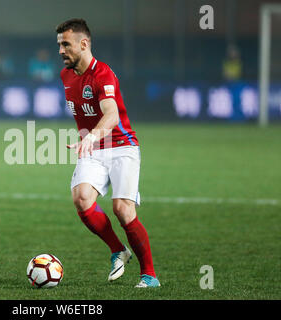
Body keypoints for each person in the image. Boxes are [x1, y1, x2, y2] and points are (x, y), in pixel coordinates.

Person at [56, 18, 160, 288]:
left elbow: (112, 115)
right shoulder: (65, 75)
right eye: (59, 45)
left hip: (122, 147)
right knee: (81, 199)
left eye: (65, 44)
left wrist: (89, 137)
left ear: (84, 43)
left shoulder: (102, 73)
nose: (61, 51)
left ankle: (149, 275)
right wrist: (88, 141)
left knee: (122, 210)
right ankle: (118, 250)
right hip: (92, 148)